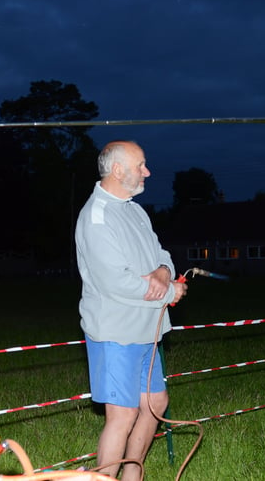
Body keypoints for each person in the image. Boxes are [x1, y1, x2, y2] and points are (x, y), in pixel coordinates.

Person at [74, 140, 187, 480]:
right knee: (121, 415)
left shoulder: (134, 210)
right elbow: (115, 282)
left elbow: (161, 254)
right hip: (116, 332)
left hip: (145, 330)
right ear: (118, 170)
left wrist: (164, 272)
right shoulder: (95, 218)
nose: (147, 172)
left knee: (155, 404)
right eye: (141, 165)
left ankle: (132, 475)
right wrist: (169, 291)